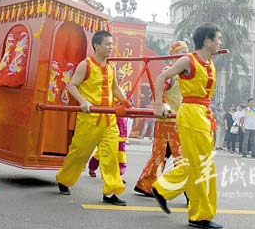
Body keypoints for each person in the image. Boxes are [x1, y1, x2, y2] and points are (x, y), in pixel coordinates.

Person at [151, 24, 223, 229]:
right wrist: (158, 103)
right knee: (201, 165)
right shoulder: (187, 60)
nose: (220, 42)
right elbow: (162, 76)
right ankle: (199, 216)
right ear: (207, 41)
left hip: (204, 115)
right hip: (191, 114)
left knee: (200, 163)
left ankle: (163, 188)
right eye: (217, 38)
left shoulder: (209, 62)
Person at [56, 30, 128, 206]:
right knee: (79, 153)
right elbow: (72, 86)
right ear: (96, 45)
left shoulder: (112, 67)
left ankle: (110, 192)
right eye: (107, 44)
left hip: (109, 119)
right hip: (89, 119)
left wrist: (126, 102)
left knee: (111, 155)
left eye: (112, 44)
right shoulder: (86, 65)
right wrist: (83, 100)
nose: (111, 47)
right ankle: (64, 179)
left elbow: (116, 89)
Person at [134, 40, 188, 198]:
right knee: (179, 156)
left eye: (186, 51)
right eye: (182, 52)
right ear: (173, 56)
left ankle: (146, 184)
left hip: (178, 120)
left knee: (163, 154)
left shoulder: (185, 73)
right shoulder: (170, 72)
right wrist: (161, 105)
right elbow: (157, 93)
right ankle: (190, 191)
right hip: (169, 121)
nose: (185, 55)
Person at [88, 69, 128, 181]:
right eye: (118, 75)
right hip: (111, 118)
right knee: (106, 147)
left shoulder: (122, 90)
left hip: (121, 121)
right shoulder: (110, 89)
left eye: (122, 75)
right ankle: (93, 166)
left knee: (121, 147)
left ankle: (118, 174)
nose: (120, 77)